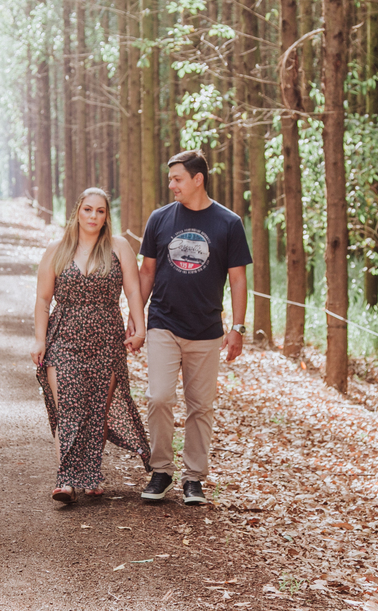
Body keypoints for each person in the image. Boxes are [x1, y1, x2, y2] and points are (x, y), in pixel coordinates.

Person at [131, 149, 252, 506]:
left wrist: (238, 327)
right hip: (163, 323)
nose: (171, 185)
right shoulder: (159, 219)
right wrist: (136, 318)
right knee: (159, 397)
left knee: (200, 407)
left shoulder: (229, 223)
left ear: (198, 179)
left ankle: (194, 478)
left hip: (207, 329)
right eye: (170, 179)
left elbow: (238, 279)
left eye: (177, 179)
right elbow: (146, 272)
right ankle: (161, 470)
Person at [32, 188, 151, 504]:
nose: (93, 216)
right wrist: (40, 339)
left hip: (106, 339)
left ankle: (91, 475)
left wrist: (139, 327)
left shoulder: (118, 247)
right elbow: (43, 300)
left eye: (100, 211)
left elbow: (134, 291)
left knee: (97, 410)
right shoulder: (57, 249)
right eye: (88, 209)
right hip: (64, 338)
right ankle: (67, 480)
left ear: (107, 216)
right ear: (77, 211)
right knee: (69, 408)